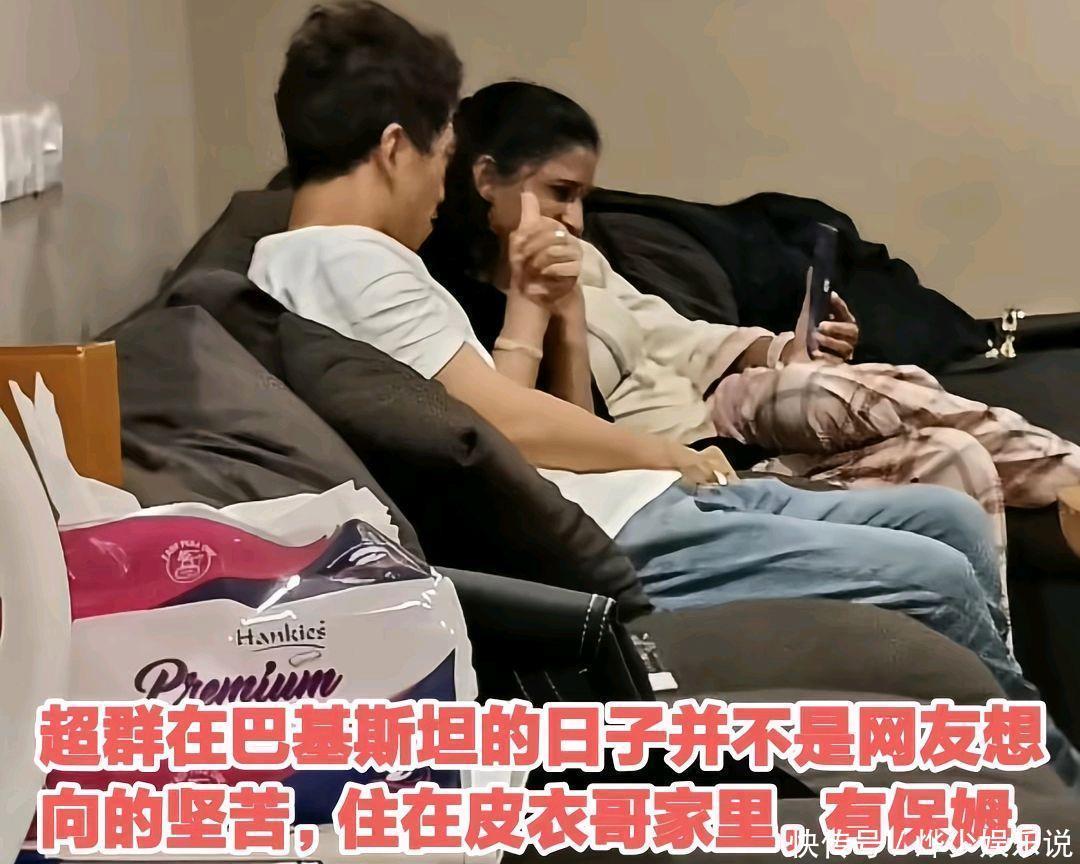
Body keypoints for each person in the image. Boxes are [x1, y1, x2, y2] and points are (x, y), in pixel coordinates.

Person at [246, 1, 1078, 787]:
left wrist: (560, 319)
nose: (442, 188)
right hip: (620, 532)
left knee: (949, 517)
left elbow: (491, 419)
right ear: (396, 147)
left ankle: (1035, 750)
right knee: (935, 572)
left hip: (630, 500)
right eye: (442, 158)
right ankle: (1053, 783)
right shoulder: (344, 260)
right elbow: (496, 423)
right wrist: (665, 454)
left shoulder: (317, 264)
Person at [423, 81, 1080, 616]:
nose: (574, 219)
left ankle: (1062, 494)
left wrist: (781, 348)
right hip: (687, 461)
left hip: (720, 408)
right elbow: (552, 439)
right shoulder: (456, 311)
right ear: (486, 179)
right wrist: (546, 310)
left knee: (815, 382)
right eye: (560, 194)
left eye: (582, 198)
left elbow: (673, 333)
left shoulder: (582, 260)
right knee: (953, 458)